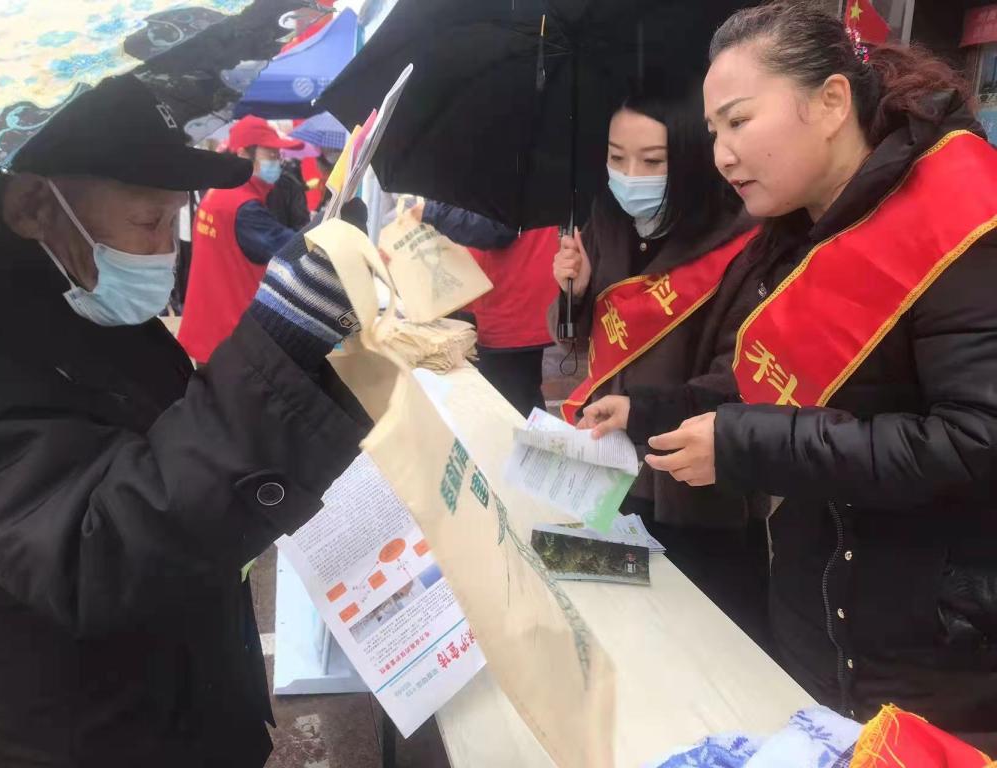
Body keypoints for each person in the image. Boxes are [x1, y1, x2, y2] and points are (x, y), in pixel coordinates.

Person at [596, 2, 997, 747]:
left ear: (832, 101)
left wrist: (745, 445)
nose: (721, 154)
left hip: (934, 653)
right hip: (819, 619)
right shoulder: (798, 228)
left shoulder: (962, 224)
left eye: (740, 121)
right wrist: (649, 411)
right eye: (713, 131)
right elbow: (773, 382)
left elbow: (974, 442)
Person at [0, 75, 367, 765]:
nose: (167, 249)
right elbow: (92, 550)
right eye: (149, 222)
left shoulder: (84, 303)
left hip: (189, 702)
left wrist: (310, 367)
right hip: (89, 738)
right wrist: (275, 353)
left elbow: (181, 455)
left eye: (174, 219)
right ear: (33, 206)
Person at [551, 88, 769, 646]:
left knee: (701, 647)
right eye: (616, 157)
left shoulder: (742, 245)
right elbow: (576, 338)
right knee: (616, 637)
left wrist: (642, 410)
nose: (630, 176)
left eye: (651, 161)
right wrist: (574, 294)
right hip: (609, 474)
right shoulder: (606, 222)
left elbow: (742, 381)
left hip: (692, 493)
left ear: (693, 158)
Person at [178, 115, 306, 363]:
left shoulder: (218, 193)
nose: (277, 162)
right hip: (232, 340)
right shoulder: (243, 207)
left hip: (211, 331)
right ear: (244, 154)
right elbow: (294, 251)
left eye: (278, 155)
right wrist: (330, 224)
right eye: (270, 154)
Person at [413, 200, 559, 417]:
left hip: (510, 301)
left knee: (510, 406)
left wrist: (434, 212)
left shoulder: (511, 178)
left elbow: (493, 227)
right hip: (509, 297)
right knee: (512, 400)